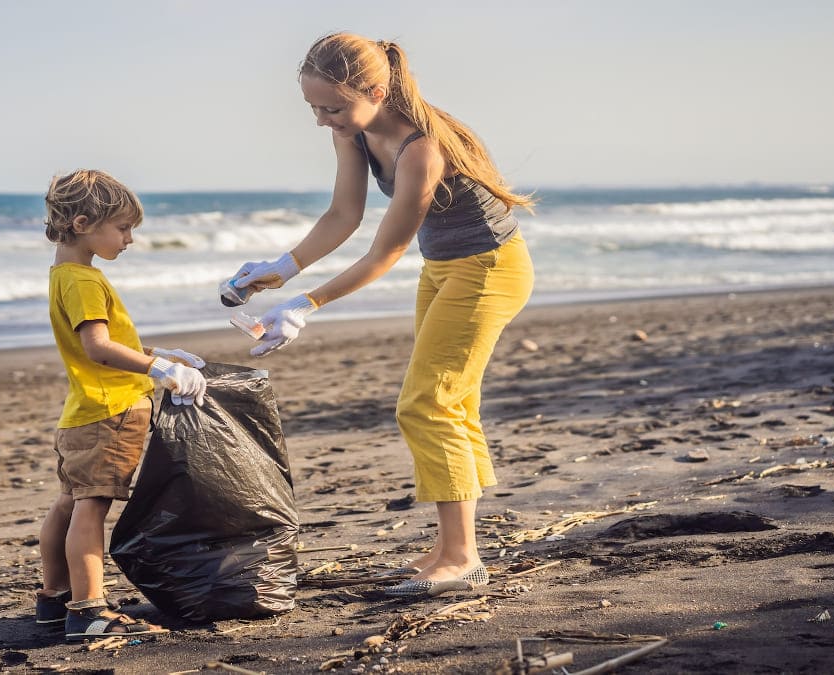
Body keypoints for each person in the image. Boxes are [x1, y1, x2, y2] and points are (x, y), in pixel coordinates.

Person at [223, 33, 535, 599]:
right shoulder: (355, 130)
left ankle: (462, 557)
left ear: (375, 89)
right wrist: (283, 268)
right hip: (444, 267)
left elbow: (385, 250)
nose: (323, 120)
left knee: (427, 402)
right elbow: (344, 214)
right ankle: (451, 547)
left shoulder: (422, 147)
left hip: (490, 268)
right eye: (314, 107)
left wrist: (306, 304)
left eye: (333, 107)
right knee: (451, 401)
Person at [36, 169, 206, 640]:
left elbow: (111, 345)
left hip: (82, 412)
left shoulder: (65, 275)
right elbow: (98, 347)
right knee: (91, 509)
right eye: (124, 228)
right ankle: (89, 610)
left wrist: (159, 355)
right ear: (84, 223)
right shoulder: (85, 280)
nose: (130, 239)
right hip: (110, 413)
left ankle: (53, 599)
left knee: (69, 504)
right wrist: (158, 372)